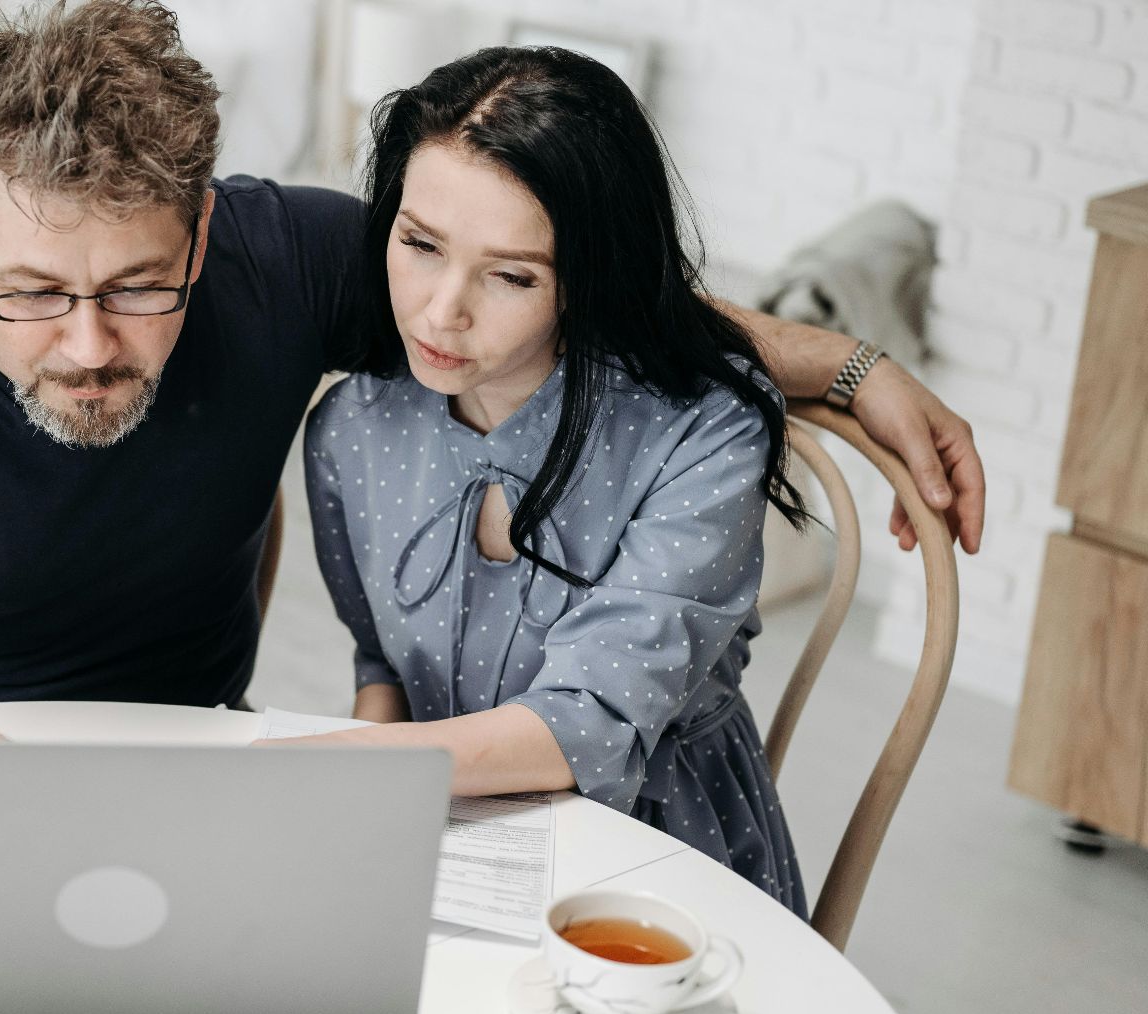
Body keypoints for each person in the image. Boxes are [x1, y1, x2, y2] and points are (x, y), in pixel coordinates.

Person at [0, 0, 986, 791]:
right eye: (31, 290)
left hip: (201, 754)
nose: (88, 344)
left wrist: (848, 367)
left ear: (203, 236)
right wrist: (2, 793)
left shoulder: (290, 256)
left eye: (141, 286)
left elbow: (575, 282)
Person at [283, 47, 828, 912]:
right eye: (420, 244)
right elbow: (382, 660)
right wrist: (369, 801)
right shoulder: (354, 427)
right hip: (438, 827)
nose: (440, 310)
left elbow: (593, 717)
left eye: (509, 275)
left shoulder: (702, 431)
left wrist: (355, 765)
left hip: (658, 858)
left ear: (582, 278)